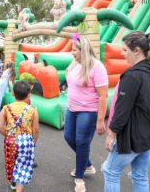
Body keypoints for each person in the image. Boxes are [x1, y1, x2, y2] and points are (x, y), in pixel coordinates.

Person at [102, 32, 150, 192]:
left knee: (110, 172)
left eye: (125, 50)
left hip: (131, 138)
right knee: (140, 176)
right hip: (148, 136)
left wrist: (111, 135)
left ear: (136, 50)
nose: (122, 54)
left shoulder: (132, 76)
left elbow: (121, 110)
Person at [64, 35, 108, 192]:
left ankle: (80, 176)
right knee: (68, 137)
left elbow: (103, 95)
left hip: (88, 112)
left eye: (74, 50)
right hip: (72, 109)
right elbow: (70, 78)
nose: (71, 52)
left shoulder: (97, 67)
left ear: (83, 50)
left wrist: (100, 120)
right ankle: (87, 164)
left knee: (82, 143)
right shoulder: (76, 63)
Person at [0, 81, 39, 192]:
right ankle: (19, 189)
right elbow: (36, 129)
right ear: (28, 95)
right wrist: (33, 141)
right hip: (26, 141)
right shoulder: (32, 110)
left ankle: (13, 184)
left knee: (11, 161)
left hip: (11, 140)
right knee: (23, 167)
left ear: (13, 94)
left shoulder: (6, 108)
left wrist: (8, 135)